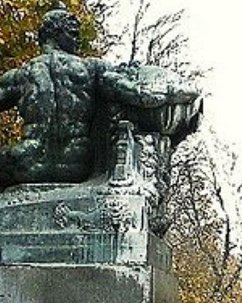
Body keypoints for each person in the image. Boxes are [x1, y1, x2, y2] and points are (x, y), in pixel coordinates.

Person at [0, 7, 199, 187]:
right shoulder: (91, 69)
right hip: (76, 164)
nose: (77, 39)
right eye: (73, 34)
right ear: (56, 34)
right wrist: (174, 93)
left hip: (25, 164)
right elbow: (136, 94)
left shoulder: (20, 76)